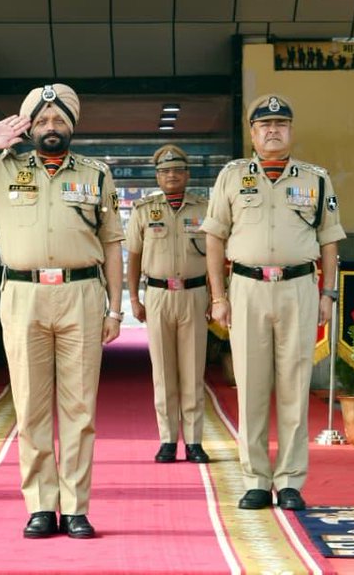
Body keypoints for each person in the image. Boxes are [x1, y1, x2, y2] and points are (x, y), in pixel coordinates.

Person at [0, 83, 123, 540]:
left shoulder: (96, 174)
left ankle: (76, 507)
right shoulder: (0, 169)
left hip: (80, 294)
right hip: (23, 295)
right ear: (29, 128)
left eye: (59, 121)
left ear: (72, 127)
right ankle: (41, 504)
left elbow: (113, 244)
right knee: (32, 407)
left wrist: (115, 309)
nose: (51, 128)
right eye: (41, 121)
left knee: (80, 408)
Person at [202, 94, 345, 512]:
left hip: (299, 288)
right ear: (252, 132)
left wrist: (328, 293)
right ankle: (256, 479)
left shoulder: (316, 179)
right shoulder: (231, 177)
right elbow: (214, 237)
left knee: (295, 386)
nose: (273, 130)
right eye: (265, 125)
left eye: (281, 124)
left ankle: (290, 480)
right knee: (250, 385)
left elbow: (330, 239)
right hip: (246, 288)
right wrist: (218, 297)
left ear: (291, 131)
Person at [126, 144, 210, 465]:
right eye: (164, 171)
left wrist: (218, 297)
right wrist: (133, 297)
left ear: (187, 174)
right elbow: (133, 257)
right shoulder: (144, 211)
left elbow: (217, 254)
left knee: (192, 370)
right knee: (162, 370)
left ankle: (194, 441)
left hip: (195, 294)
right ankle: (166, 439)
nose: (171, 176)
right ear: (157, 177)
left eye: (177, 170)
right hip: (158, 295)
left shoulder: (204, 209)